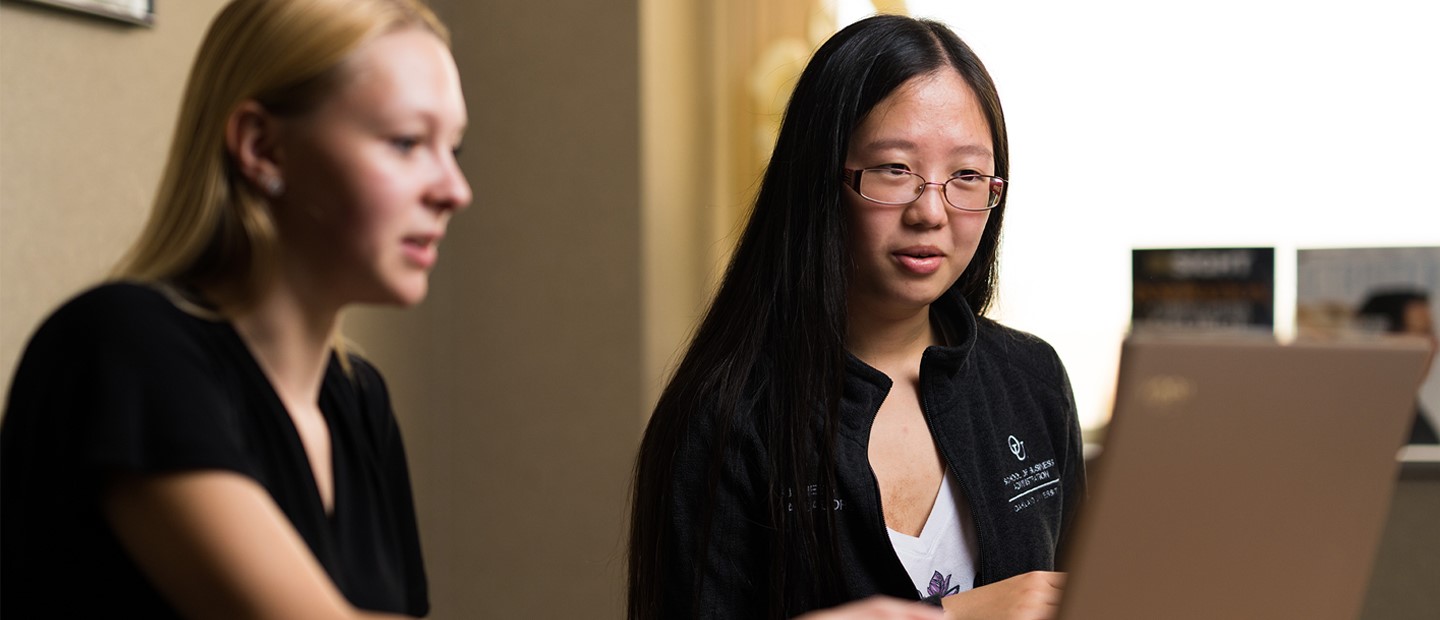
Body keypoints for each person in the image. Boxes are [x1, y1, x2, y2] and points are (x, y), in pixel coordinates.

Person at [0, 0, 470, 617]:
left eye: (453, 148)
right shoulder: (120, 346)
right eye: (407, 143)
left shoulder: (358, 403)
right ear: (261, 147)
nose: (454, 192)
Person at [629, 14, 1084, 620]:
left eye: (967, 176)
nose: (931, 211)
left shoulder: (1032, 378)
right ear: (822, 180)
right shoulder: (726, 417)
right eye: (895, 169)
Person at [1357, 289, 1440, 444]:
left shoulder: (1406, 409)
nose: (1435, 345)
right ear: (1382, 337)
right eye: (1423, 332)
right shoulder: (1360, 417)